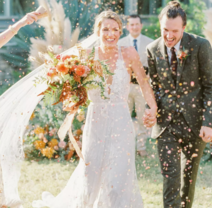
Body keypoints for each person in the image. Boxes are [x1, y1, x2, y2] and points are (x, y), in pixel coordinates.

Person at [0, 10, 157, 207]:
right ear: (97, 31)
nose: (111, 34)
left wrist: (153, 107)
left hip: (121, 121)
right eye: (106, 29)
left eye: (115, 29)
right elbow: (71, 85)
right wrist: (70, 96)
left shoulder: (129, 54)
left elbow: (143, 82)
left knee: (119, 174)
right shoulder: (87, 57)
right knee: (91, 173)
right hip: (96, 120)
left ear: (120, 31)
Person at [145, 1, 212, 208]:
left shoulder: (200, 46)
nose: (169, 36)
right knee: (170, 179)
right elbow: (154, 87)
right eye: (164, 30)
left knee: (188, 179)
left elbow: (211, 86)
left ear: (184, 27)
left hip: (195, 123)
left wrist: (208, 122)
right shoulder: (152, 49)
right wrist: (149, 109)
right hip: (166, 125)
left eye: (174, 31)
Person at [118, 14, 153, 157]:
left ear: (141, 25)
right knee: (123, 118)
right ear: (127, 27)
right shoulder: (120, 43)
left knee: (141, 118)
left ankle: (141, 147)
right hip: (125, 87)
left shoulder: (150, 43)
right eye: (131, 24)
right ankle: (124, 147)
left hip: (141, 87)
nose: (134, 27)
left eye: (137, 24)